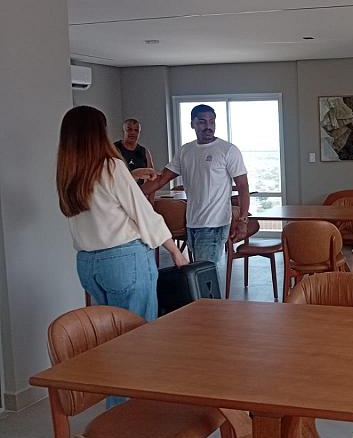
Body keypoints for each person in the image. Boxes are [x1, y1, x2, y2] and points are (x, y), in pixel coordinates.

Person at [56, 106, 189, 321]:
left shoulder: (68, 173)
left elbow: (103, 199)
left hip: (88, 263)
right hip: (124, 260)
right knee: (140, 332)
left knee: (111, 331)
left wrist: (130, 175)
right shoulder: (112, 167)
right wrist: (175, 251)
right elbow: (143, 213)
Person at [142, 104, 250, 280]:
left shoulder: (228, 150)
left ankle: (210, 299)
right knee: (200, 276)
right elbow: (161, 180)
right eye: (202, 122)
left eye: (211, 121)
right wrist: (130, 192)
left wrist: (243, 220)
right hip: (192, 223)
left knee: (204, 277)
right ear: (192, 124)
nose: (208, 126)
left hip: (214, 224)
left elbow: (243, 186)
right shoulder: (186, 151)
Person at [114, 118, 157, 183]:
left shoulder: (145, 151)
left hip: (140, 188)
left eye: (136, 130)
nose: (132, 133)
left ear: (139, 133)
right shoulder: (114, 148)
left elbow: (151, 176)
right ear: (123, 131)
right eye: (129, 129)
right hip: (120, 187)